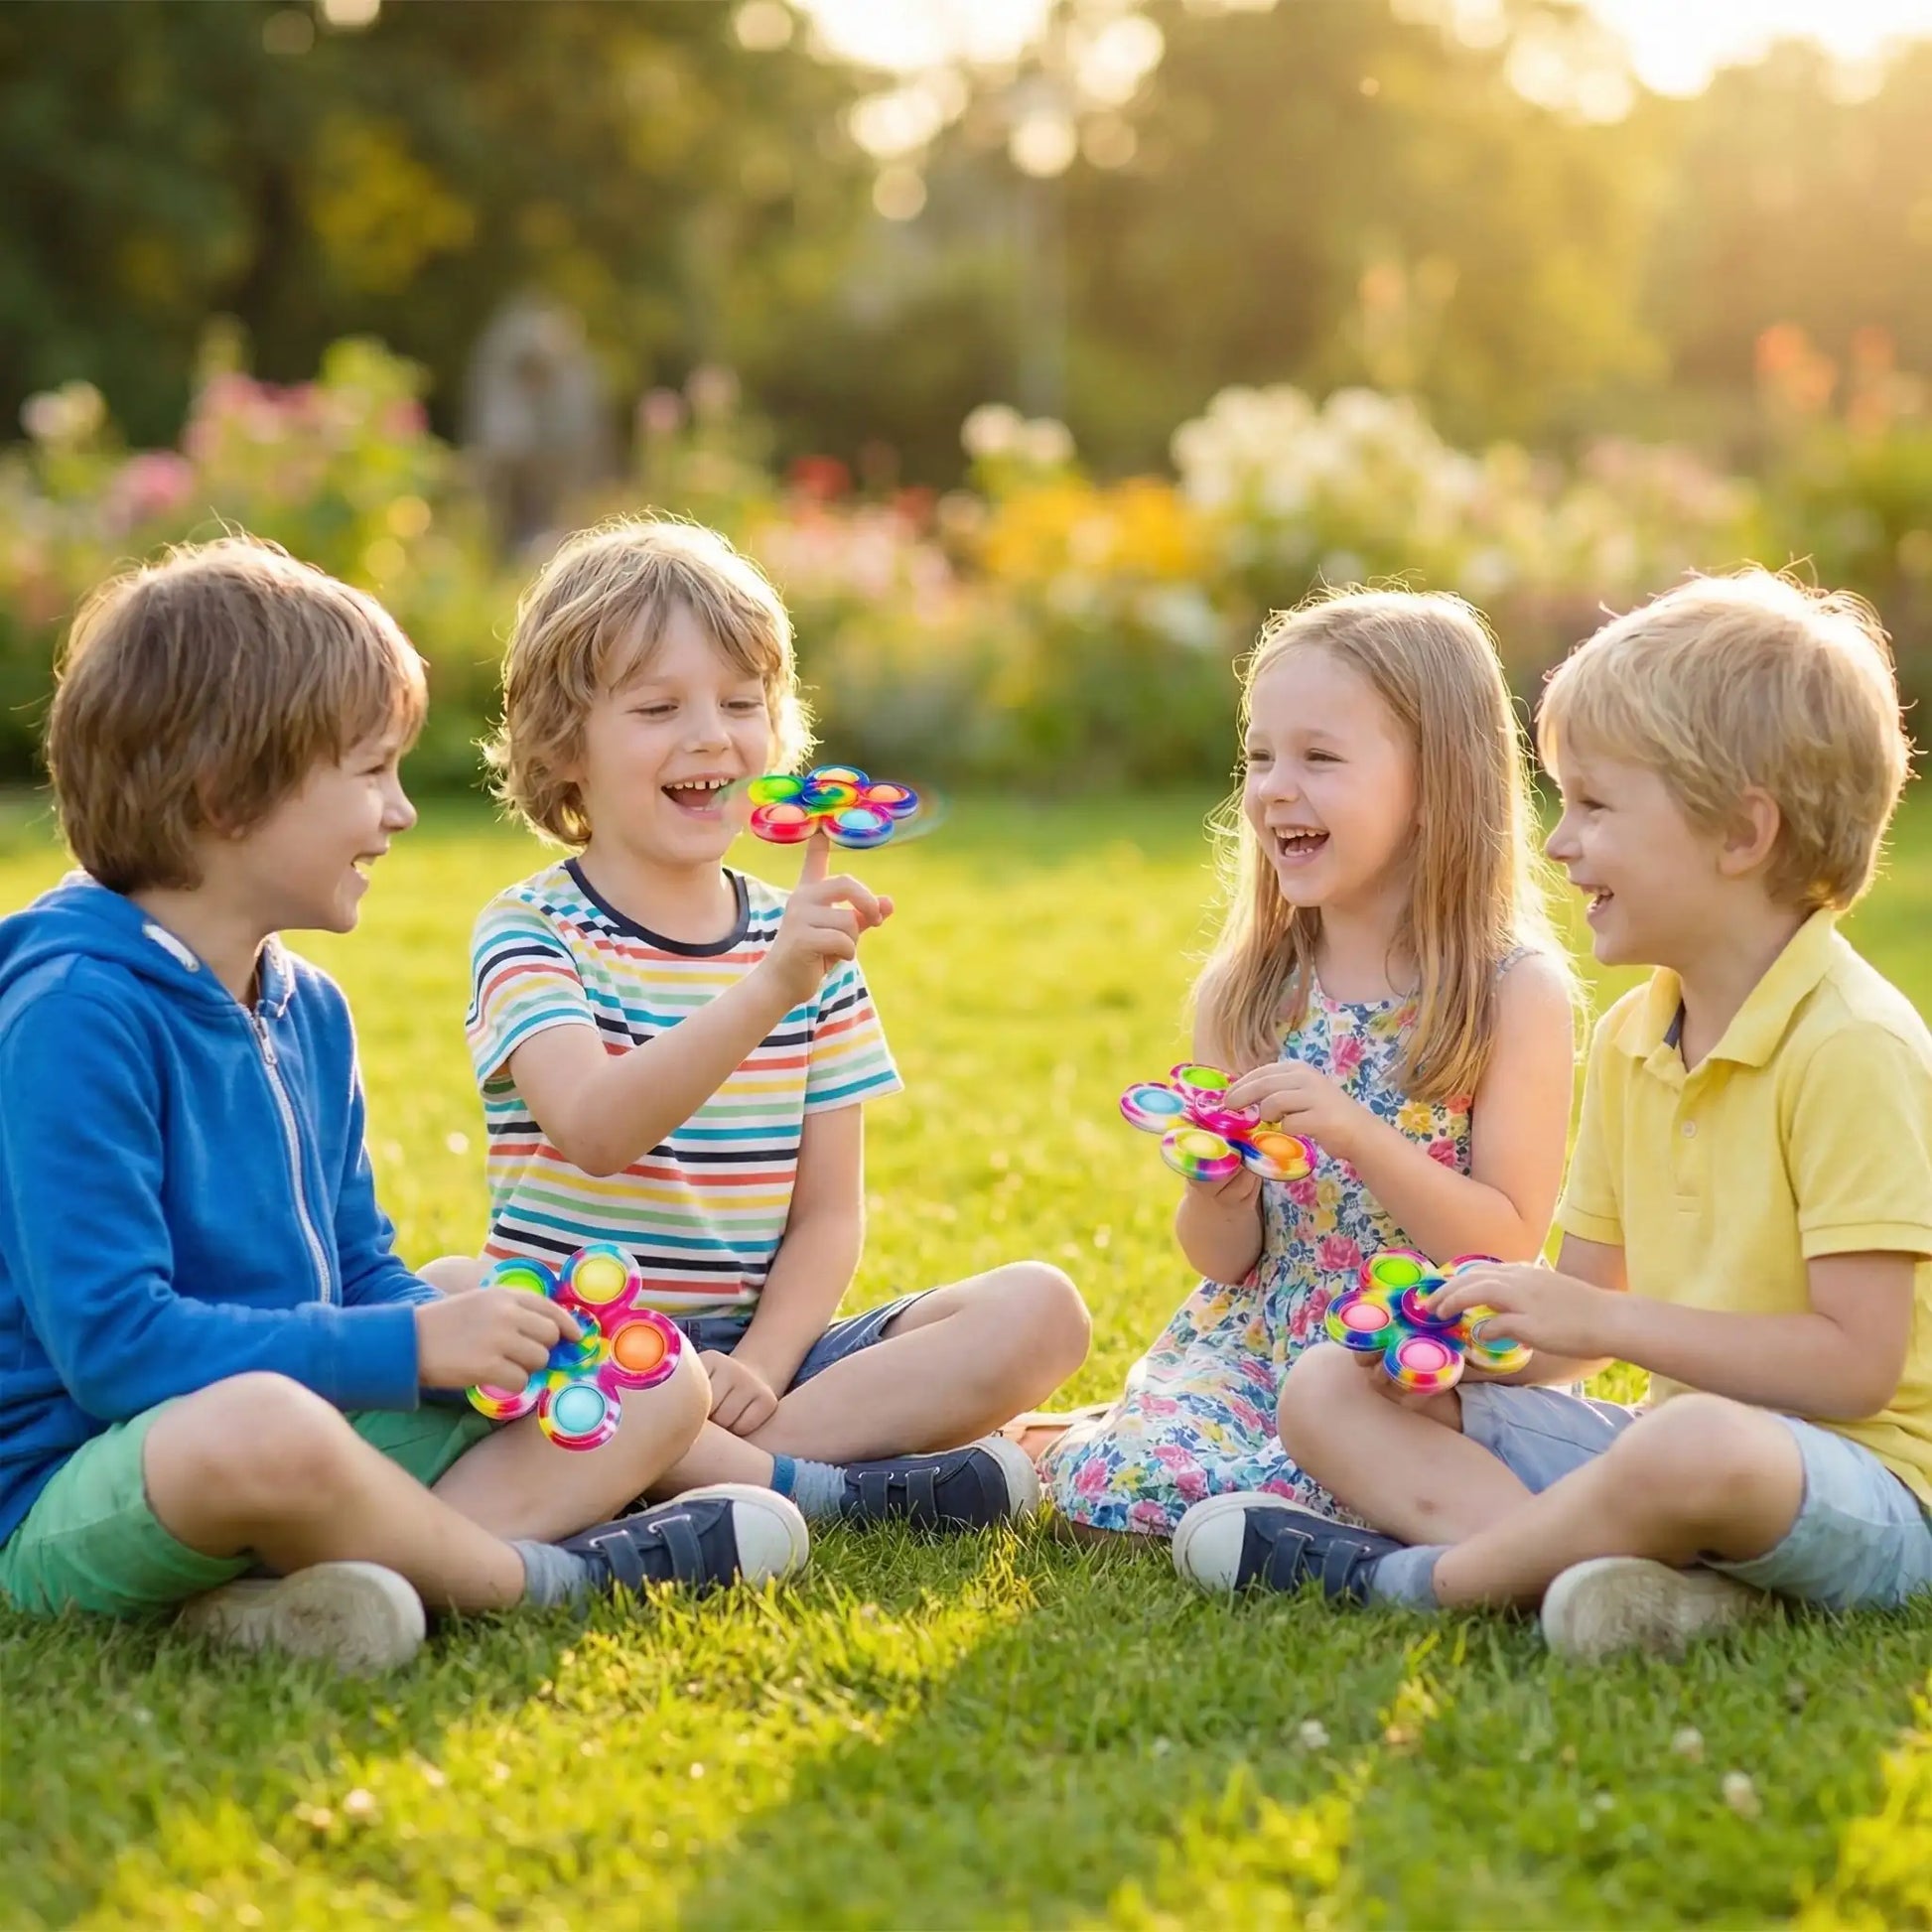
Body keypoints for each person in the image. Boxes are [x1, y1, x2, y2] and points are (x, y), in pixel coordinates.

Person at [0, 538, 807, 1674]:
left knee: (639, 1362)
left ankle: (308, 1591)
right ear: (231, 795)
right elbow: (116, 1347)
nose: (401, 811)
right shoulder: (76, 1011)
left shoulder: (305, 1005)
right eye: (371, 771)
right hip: (91, 1478)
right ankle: (541, 1575)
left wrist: (486, 1345)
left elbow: (358, 1265)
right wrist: (413, 1342)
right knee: (263, 1426)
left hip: (299, 1427)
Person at [1179, 572, 1932, 1659]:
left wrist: (1599, 1326)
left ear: (1738, 832)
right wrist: (1466, 1347)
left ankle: (1419, 1582)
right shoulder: (1636, 1033)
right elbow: (1572, 1316)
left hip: (1865, 1488)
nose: (1558, 842)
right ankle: (1648, 1586)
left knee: (1691, 1448)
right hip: (1671, 1448)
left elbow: (1852, 1367)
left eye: (1593, 805)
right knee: (1328, 1386)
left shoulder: (1851, 1043)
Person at [450, 517, 1089, 1531]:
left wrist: (761, 1360)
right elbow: (595, 1128)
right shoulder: (531, 930)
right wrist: (765, 989)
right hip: (588, 1337)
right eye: (659, 706)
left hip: (762, 1352)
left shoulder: (801, 940)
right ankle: (810, 1487)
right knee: (461, 1301)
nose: (710, 734)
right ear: (562, 747)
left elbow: (829, 1213)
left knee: (1041, 1308)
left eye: (742, 703)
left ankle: (708, 1463)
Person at [1041, 589, 1576, 1538]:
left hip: (1410, 1360)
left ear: (1439, 784)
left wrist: (1360, 1136)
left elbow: (1505, 1246)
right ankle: (1123, 1447)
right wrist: (1219, 1197)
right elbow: (1227, 1264)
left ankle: (1281, 1507)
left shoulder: (1510, 995)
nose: (1273, 789)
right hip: (1258, 1341)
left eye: (1319, 758)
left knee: (1335, 1476)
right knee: (1118, 1485)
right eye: (1258, 756)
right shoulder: (1253, 990)